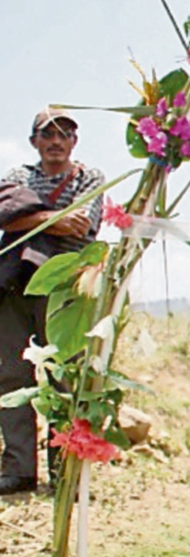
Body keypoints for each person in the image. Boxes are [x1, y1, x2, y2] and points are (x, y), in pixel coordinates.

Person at [0, 107, 103, 496]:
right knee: (11, 376)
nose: (56, 142)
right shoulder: (16, 176)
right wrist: (53, 218)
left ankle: (64, 469)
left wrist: (33, 217)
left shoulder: (89, 177)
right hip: (15, 287)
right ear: (34, 142)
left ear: (74, 142)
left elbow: (82, 223)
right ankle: (18, 470)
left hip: (66, 288)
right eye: (48, 135)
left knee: (64, 377)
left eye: (64, 134)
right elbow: (5, 215)